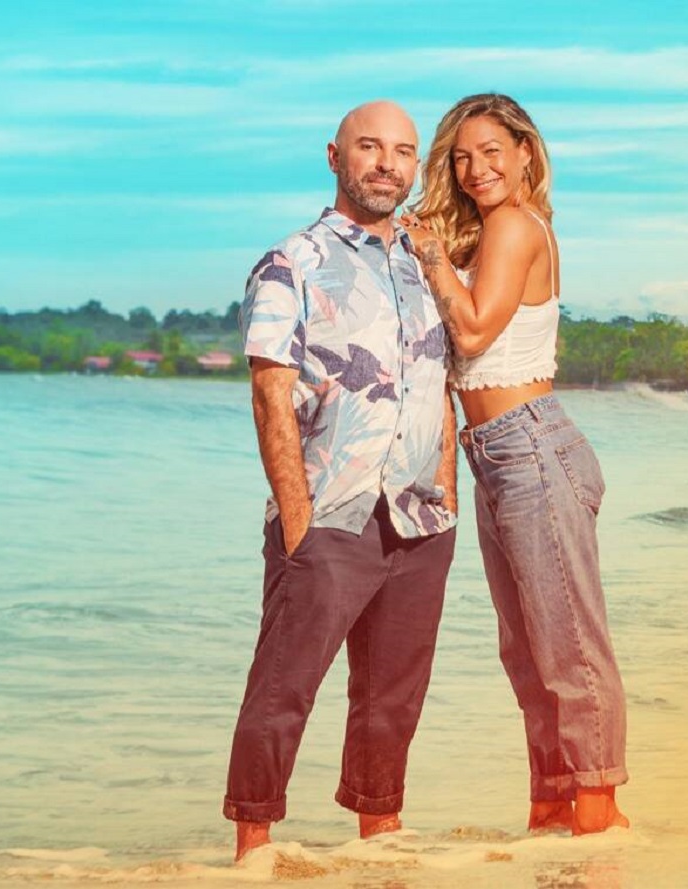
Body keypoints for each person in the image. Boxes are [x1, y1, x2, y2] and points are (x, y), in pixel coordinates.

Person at [224, 100, 458, 860]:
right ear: (334, 156)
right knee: (283, 691)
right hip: (329, 514)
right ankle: (253, 850)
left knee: (392, 703)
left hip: (419, 523)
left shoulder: (426, 270)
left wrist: (446, 495)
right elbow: (269, 392)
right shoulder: (291, 262)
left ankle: (378, 848)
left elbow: (440, 384)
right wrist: (298, 521)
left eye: (403, 150)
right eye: (370, 146)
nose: (387, 162)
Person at [402, 93, 628, 835]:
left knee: (565, 645)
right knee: (526, 649)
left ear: (526, 151)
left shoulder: (513, 225)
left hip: (531, 445)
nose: (474, 169)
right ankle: (552, 810)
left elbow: (470, 332)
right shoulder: (501, 229)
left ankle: (598, 818)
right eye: (461, 157)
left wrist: (430, 251)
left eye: (491, 150)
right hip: (497, 452)